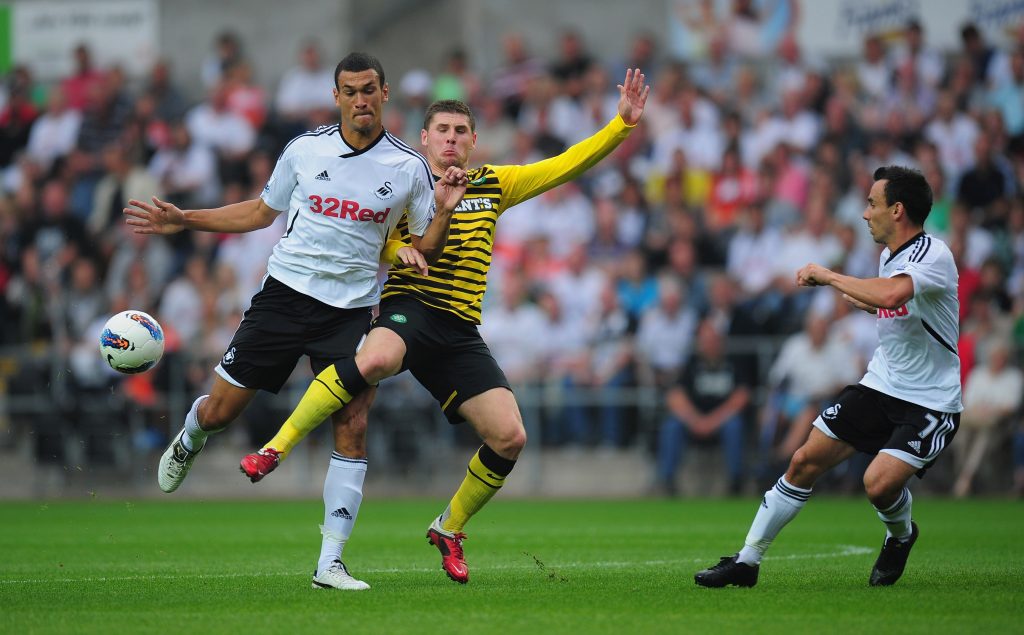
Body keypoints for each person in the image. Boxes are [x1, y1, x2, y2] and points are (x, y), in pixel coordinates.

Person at [239, 69, 650, 585]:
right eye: (443, 130)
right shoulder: (401, 180)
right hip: (409, 307)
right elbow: (372, 240)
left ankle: (450, 528)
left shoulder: (494, 184)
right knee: (377, 359)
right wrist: (397, 250)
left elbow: (564, 166)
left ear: (474, 141)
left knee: (511, 437)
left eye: (461, 131)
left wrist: (621, 126)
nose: (452, 138)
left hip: (458, 329)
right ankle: (275, 447)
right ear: (425, 138)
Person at [122, 52, 467, 589]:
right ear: (336, 97)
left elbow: (427, 246)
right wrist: (187, 218)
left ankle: (329, 563)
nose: (361, 100)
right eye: (350, 90)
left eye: (369, 89)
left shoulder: (408, 167)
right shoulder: (305, 150)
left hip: (350, 311)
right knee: (220, 413)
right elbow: (261, 212)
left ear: (385, 93)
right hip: (284, 299)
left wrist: (443, 211)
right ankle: (192, 435)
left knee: (353, 424)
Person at [695, 166, 962, 588]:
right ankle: (747, 561)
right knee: (802, 461)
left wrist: (830, 276)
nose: (864, 213)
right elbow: (897, 304)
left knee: (877, 485)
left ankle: (901, 534)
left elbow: (894, 293)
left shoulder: (934, 253)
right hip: (881, 385)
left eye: (872, 203)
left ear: (897, 210)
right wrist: (873, 306)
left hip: (930, 401)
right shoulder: (889, 256)